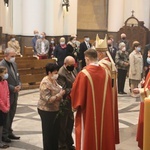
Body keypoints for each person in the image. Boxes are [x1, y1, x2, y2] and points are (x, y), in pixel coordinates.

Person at [71, 49, 116, 150]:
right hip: (104, 112)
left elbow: (77, 95)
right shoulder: (106, 72)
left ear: (87, 59)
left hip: (88, 113)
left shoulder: (84, 74)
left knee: (88, 136)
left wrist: (74, 105)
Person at [96, 34, 120, 144]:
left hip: (104, 95)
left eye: (97, 53)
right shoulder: (110, 63)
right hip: (110, 94)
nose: (97, 55)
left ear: (100, 53)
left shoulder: (101, 65)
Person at [37, 63, 65, 150]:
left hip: (55, 109)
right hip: (46, 111)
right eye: (55, 72)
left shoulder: (53, 80)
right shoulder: (45, 82)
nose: (57, 74)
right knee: (48, 134)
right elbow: (48, 99)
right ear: (49, 72)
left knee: (55, 132)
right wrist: (60, 95)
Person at [0, 48, 21, 143]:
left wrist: (19, 85)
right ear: (6, 56)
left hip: (15, 93)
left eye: (14, 56)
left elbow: (17, 76)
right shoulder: (1, 65)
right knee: (6, 115)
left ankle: (9, 131)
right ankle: (4, 134)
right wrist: (13, 88)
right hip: (6, 94)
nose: (14, 58)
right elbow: (2, 81)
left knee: (12, 113)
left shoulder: (14, 64)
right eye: (12, 56)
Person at [57, 56, 77, 150]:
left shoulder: (73, 70)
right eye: (71, 65)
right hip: (64, 102)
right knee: (63, 124)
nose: (73, 66)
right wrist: (75, 89)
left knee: (70, 123)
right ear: (65, 64)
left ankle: (69, 143)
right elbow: (63, 89)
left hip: (72, 101)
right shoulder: (61, 73)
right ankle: (62, 144)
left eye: (73, 64)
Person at [0, 66, 10, 148]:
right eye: (5, 73)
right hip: (1, 108)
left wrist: (8, 105)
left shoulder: (5, 82)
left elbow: (7, 94)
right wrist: (4, 107)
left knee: (2, 125)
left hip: (5, 107)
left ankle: (1, 141)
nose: (6, 74)